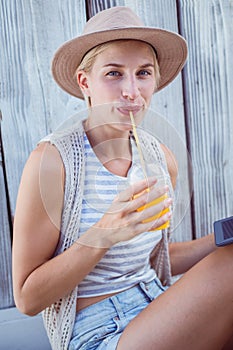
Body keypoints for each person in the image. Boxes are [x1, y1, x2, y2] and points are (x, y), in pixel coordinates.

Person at [12, 6, 233, 350]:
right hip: (97, 332)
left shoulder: (160, 158)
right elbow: (27, 298)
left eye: (143, 73)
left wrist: (223, 235)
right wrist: (105, 233)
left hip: (156, 307)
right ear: (85, 82)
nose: (132, 90)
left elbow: (151, 258)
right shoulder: (53, 162)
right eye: (114, 74)